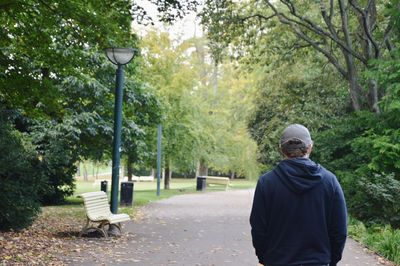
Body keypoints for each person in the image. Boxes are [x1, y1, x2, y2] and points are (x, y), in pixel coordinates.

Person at [250, 124, 347, 266]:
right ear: (310, 147)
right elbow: (339, 230)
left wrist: (264, 258)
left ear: (281, 149)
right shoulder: (329, 181)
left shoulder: (267, 183)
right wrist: (331, 260)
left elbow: (258, 229)